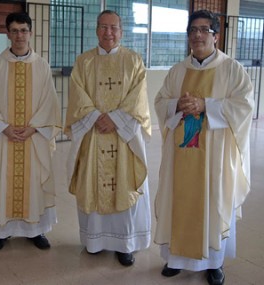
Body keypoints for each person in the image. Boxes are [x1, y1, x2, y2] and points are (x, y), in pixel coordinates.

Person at [154, 10, 254, 285]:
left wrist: (206, 106)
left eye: (204, 30)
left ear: (216, 36)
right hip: (181, 156)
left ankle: (214, 264)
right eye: (193, 30)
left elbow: (244, 106)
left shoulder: (232, 69)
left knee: (213, 202)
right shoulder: (177, 71)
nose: (197, 35)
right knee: (179, 199)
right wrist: (176, 105)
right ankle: (175, 259)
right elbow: (160, 101)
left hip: (215, 158)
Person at [65, 10, 151, 266]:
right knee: (92, 183)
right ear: (96, 30)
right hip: (93, 135)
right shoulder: (84, 62)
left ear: (121, 31)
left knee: (124, 184)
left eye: (113, 28)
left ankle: (124, 244)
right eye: (103, 27)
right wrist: (94, 117)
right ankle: (95, 241)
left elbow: (139, 97)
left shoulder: (134, 61)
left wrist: (115, 119)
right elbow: (77, 94)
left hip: (123, 139)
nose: (108, 33)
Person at [0, 12, 61, 252]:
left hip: (33, 138)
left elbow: (50, 103)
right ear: (7, 34)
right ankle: (0, 232)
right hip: (3, 138)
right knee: (1, 181)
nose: (19, 35)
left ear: (30, 32)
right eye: (14, 31)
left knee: (34, 182)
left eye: (23, 30)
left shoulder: (42, 65)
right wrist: (3, 128)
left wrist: (34, 128)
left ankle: (36, 231)